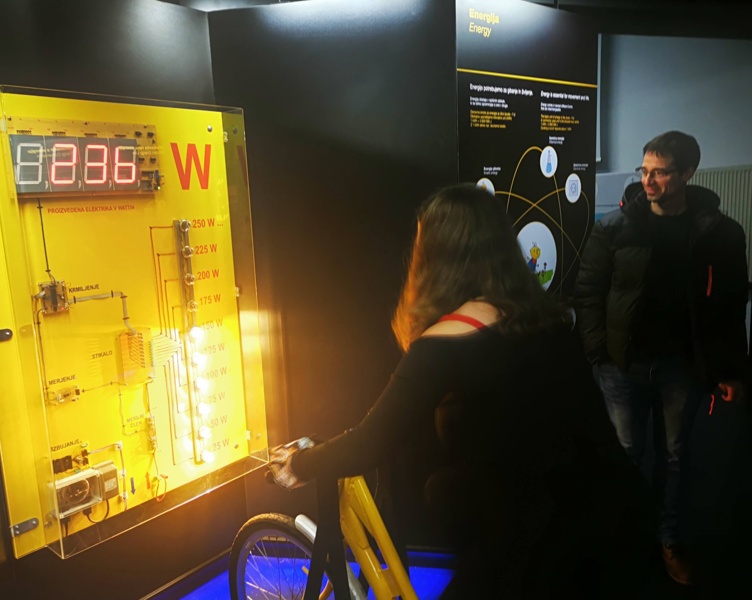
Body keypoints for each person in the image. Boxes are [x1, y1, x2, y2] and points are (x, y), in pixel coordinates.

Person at [270, 183, 654, 599]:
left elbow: (369, 444)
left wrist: (300, 463)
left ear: (435, 257)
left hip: (545, 549)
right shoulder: (543, 318)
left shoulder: (444, 342)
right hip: (618, 516)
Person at [573, 130, 749, 586]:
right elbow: (588, 292)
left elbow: (731, 306)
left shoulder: (722, 234)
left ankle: (668, 539)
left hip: (682, 365)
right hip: (622, 364)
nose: (648, 181)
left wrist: (732, 370)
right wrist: (597, 354)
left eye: (660, 173)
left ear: (688, 173)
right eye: (644, 170)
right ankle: (625, 538)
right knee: (627, 455)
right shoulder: (614, 228)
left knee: (675, 456)